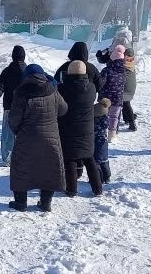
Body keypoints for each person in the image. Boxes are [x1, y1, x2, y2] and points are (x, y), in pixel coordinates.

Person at [7, 64, 68, 212]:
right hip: (51, 137)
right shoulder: (52, 89)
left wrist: (19, 131)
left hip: (26, 137)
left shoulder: (21, 92)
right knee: (49, 168)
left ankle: (21, 202)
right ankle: (46, 203)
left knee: (21, 168)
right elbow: (64, 108)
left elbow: (14, 119)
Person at [57, 60, 103, 197]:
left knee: (70, 158)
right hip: (87, 130)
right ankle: (98, 188)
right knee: (89, 158)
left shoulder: (63, 89)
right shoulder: (91, 88)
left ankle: (71, 189)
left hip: (68, 128)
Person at [0, 45, 27, 166]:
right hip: (24, 108)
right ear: (23, 57)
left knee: (8, 133)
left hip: (9, 107)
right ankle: (23, 157)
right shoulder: (28, 71)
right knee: (24, 133)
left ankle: (7, 158)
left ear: (12, 56)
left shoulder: (7, 71)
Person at [99, 45, 128, 142]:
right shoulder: (124, 71)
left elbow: (101, 83)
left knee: (103, 115)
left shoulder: (106, 70)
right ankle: (112, 135)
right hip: (118, 97)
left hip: (106, 97)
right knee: (114, 117)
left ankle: (103, 132)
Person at [94, 98, 112, 183]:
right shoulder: (105, 119)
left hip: (95, 142)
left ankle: (98, 178)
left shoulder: (94, 120)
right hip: (104, 142)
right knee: (104, 160)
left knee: (96, 161)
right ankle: (107, 177)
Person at [122, 51, 138, 131]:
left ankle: (132, 123)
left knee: (125, 102)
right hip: (131, 85)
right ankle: (127, 118)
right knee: (124, 102)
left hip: (126, 85)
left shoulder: (124, 63)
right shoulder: (131, 61)